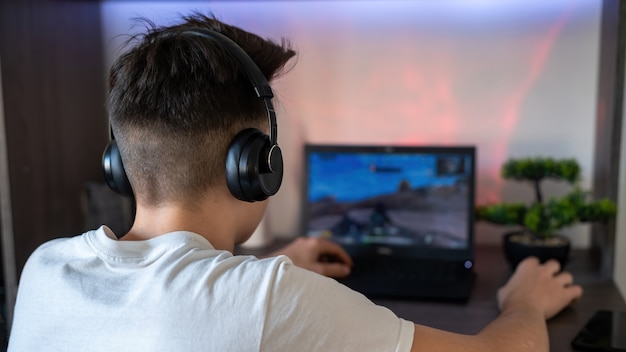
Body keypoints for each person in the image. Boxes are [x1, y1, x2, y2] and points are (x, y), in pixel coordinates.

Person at [8, 12, 582, 352]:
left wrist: (280, 260)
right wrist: (525, 302)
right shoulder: (270, 299)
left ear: (119, 162)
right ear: (256, 165)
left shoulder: (45, 270)